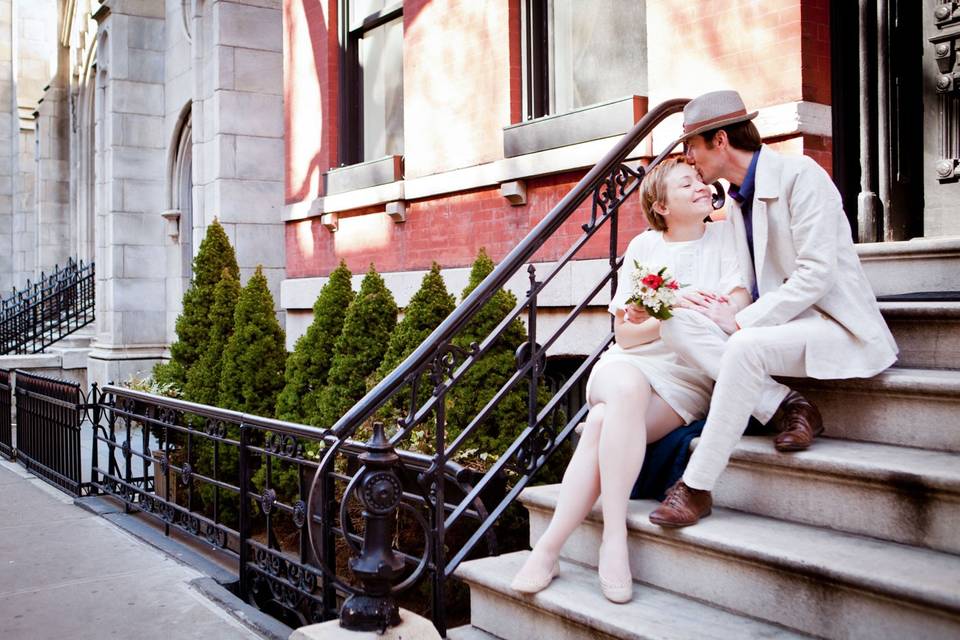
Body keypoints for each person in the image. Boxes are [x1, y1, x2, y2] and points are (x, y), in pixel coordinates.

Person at [647, 90, 898, 528]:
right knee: (676, 324)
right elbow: (747, 282)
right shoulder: (736, 203)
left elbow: (816, 274)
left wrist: (741, 320)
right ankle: (786, 405)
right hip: (776, 325)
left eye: (692, 146)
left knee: (744, 347)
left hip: (832, 324)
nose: (690, 159)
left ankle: (697, 485)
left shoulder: (801, 175)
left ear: (719, 140)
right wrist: (718, 308)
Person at [510, 157, 751, 604]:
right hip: (627, 366)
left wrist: (695, 315)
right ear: (661, 205)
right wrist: (673, 309)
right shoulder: (644, 247)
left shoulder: (725, 238)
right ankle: (615, 535)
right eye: (686, 184)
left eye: (700, 179)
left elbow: (733, 311)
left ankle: (548, 549)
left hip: (686, 381)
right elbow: (626, 335)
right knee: (622, 391)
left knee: (601, 423)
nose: (701, 187)